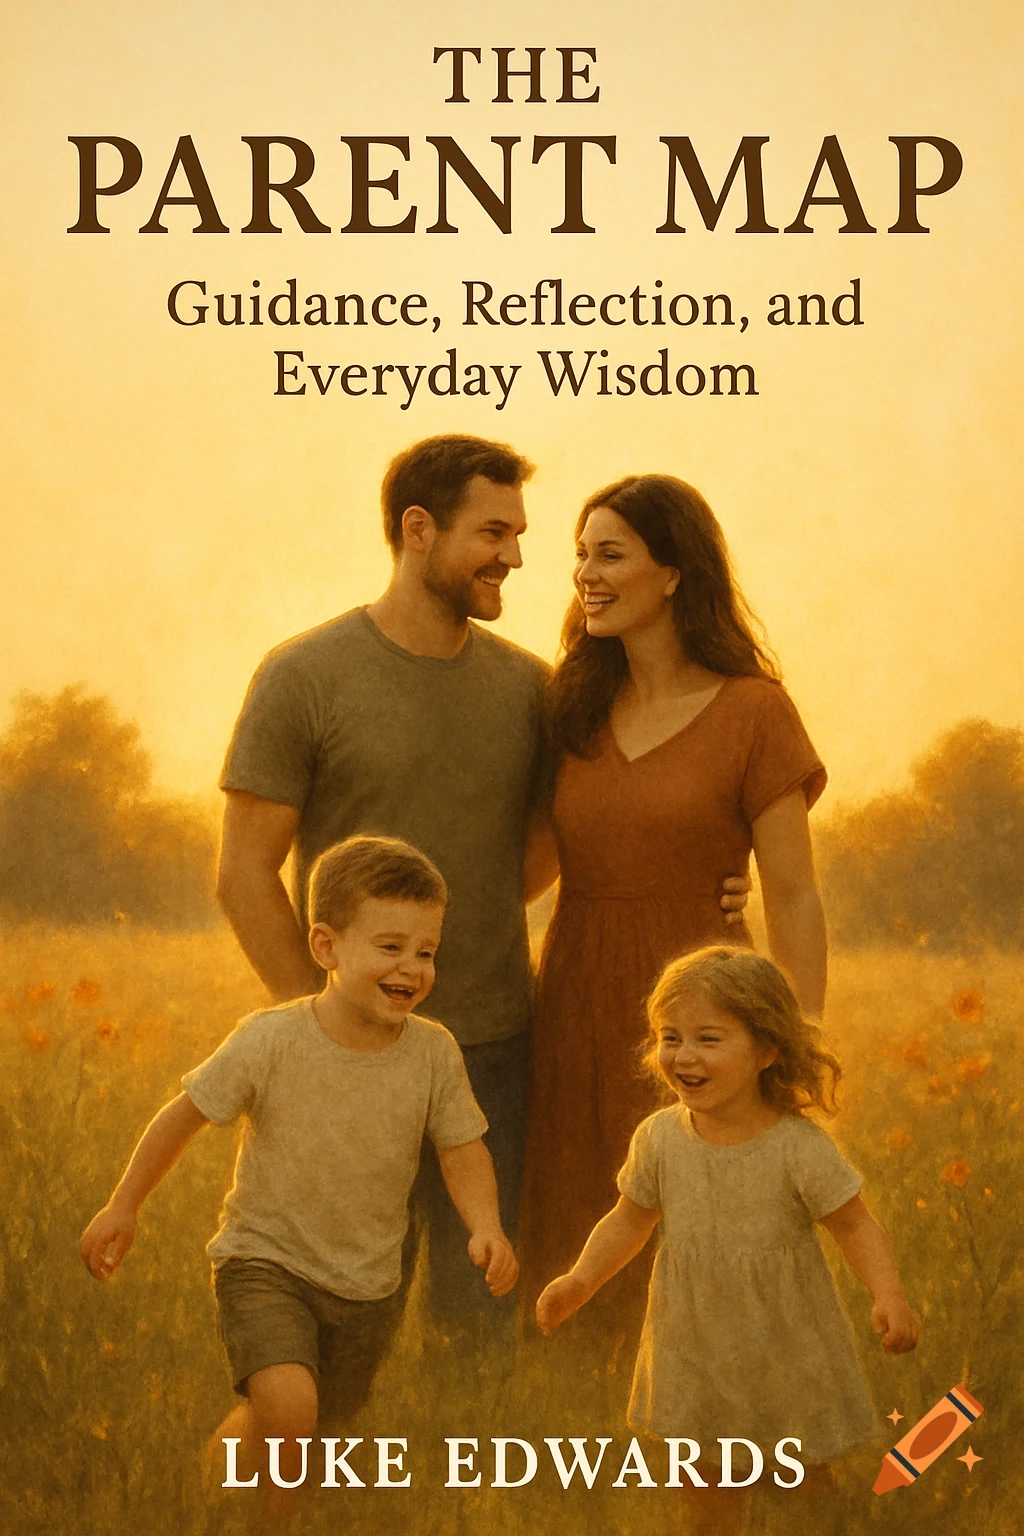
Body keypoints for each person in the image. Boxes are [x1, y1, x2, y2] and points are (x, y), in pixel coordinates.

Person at [216, 439, 749, 1333]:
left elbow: (571, 836)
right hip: (350, 1060)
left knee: (486, 1323)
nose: (517, 556)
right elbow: (242, 873)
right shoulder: (302, 675)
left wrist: (711, 880)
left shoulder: (533, 693)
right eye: (493, 532)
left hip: (497, 1050)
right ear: (419, 531)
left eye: (520, 534)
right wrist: (323, 1026)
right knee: (345, 1313)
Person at [80, 836, 517, 1523]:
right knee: (291, 1413)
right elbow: (182, 1116)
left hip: (369, 1285)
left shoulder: (433, 1054)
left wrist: (486, 1226)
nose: (411, 967)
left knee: (301, 1429)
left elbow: (463, 1151)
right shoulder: (271, 1040)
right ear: (326, 947)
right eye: (390, 946)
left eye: (426, 951)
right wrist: (123, 1205)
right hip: (266, 1262)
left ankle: (210, 1492)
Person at [521, 474, 827, 1308]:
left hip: (707, 1003)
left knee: (708, 1227)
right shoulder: (572, 711)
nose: (587, 572)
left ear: (675, 572)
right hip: (578, 996)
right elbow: (527, 870)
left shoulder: (755, 712)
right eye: (580, 555)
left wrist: (791, 1049)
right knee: (580, 1223)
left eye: (611, 554)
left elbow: (794, 897)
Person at [536, 946, 920, 1536]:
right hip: (695, 1346)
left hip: (786, 1346)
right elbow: (629, 1219)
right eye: (670, 1036)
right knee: (704, 1486)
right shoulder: (660, 1138)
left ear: (767, 1050)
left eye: (708, 1039)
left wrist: (888, 1293)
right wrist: (582, 1278)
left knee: (801, 1484)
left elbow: (855, 1225)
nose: (683, 1055)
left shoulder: (797, 1148)